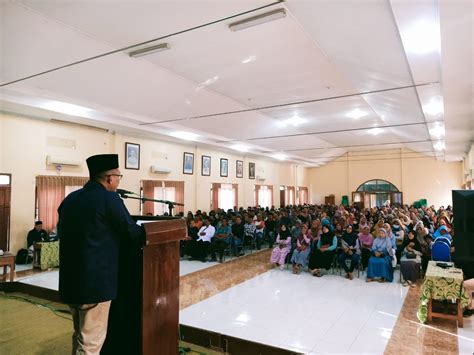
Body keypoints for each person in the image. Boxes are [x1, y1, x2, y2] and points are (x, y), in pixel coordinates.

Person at [58, 154, 144, 354]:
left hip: (71, 280)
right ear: (109, 178)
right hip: (95, 283)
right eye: (119, 177)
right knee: (91, 343)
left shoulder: (70, 199)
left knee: (80, 334)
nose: (118, 181)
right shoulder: (109, 198)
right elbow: (130, 232)